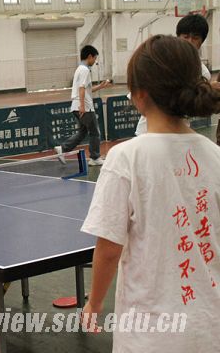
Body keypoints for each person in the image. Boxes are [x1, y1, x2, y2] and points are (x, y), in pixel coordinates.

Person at [80, 35, 220, 350]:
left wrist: (95, 302)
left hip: (151, 336)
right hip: (210, 328)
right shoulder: (215, 156)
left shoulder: (125, 158)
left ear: (140, 94)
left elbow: (109, 248)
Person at [133, 13, 216, 136]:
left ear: (202, 41)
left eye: (195, 38)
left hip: (179, 132)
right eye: (186, 37)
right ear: (178, 37)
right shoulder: (160, 60)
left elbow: (193, 106)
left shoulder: (202, 72)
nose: (190, 42)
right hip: (148, 130)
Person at [55, 45, 112, 166]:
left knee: (83, 132)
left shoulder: (79, 69)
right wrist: (82, 106)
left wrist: (101, 86)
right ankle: (95, 158)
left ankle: (63, 149)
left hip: (76, 106)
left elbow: (86, 90)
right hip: (85, 107)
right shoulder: (85, 70)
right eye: (95, 58)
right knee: (95, 132)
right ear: (90, 56)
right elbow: (81, 88)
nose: (95, 61)